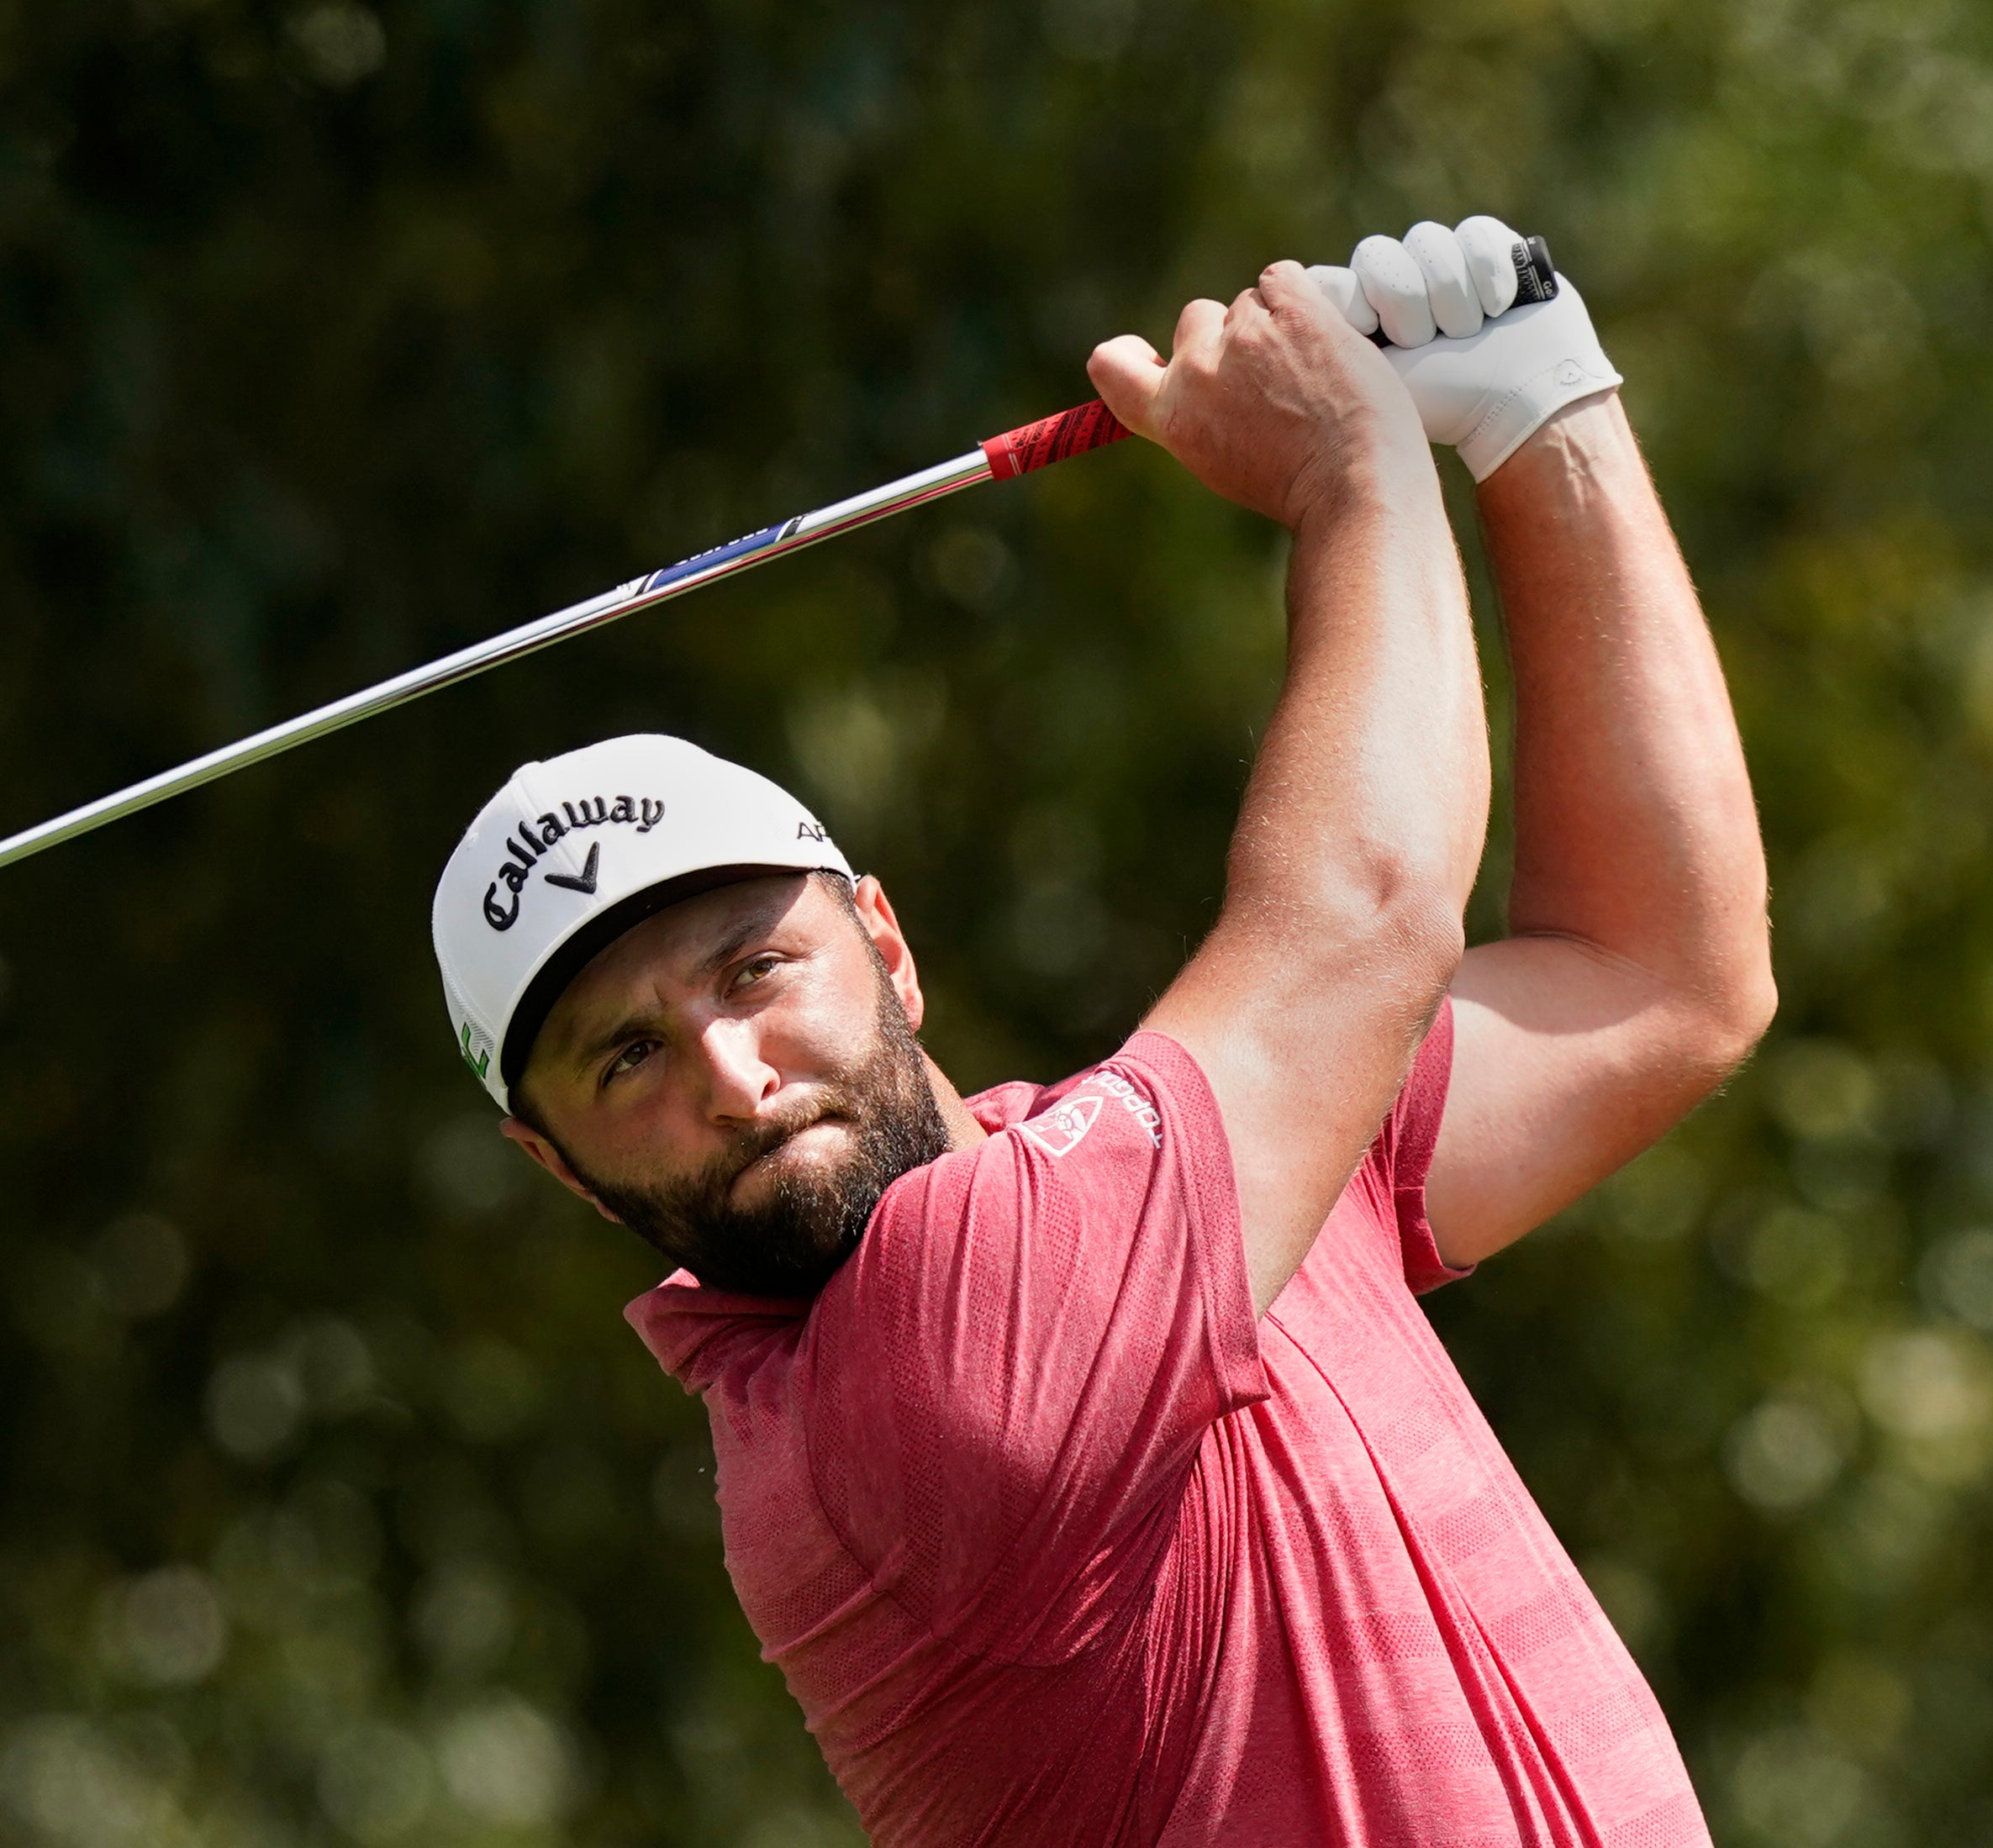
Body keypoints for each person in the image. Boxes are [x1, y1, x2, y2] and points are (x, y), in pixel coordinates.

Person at [426, 218, 1772, 1846]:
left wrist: (1545, 416)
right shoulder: (910, 1381)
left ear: (887, 943)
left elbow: (1655, 972)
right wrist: (1353, 466)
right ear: (556, 1163)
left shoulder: (1186, 1178)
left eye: (756, 965)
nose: (731, 1071)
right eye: (625, 1057)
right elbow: (1368, 912)